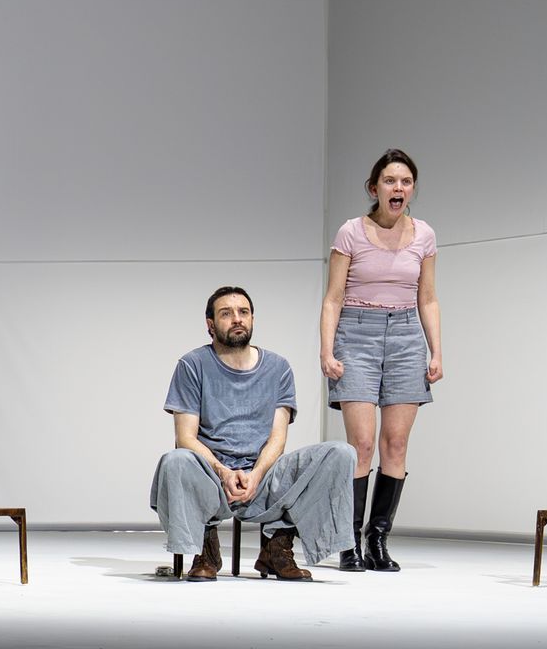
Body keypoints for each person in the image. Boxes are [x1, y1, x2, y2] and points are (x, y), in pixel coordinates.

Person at [150, 286, 356, 582]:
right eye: (226, 313)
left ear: (252, 319)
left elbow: (278, 439)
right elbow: (186, 437)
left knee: (341, 454)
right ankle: (204, 547)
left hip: (264, 476)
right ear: (210, 324)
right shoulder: (192, 365)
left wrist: (256, 475)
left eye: (243, 312)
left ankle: (277, 547)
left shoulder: (278, 367)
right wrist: (223, 472)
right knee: (175, 460)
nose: (237, 319)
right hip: (210, 476)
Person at [320, 148, 443, 572]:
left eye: (406, 182)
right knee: (362, 445)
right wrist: (327, 350)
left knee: (396, 444)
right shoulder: (351, 232)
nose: (398, 188)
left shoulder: (424, 235)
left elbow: (428, 297)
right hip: (357, 333)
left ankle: (377, 540)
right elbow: (333, 298)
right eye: (390, 181)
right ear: (374, 188)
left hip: (406, 335)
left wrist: (436, 350)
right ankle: (348, 542)